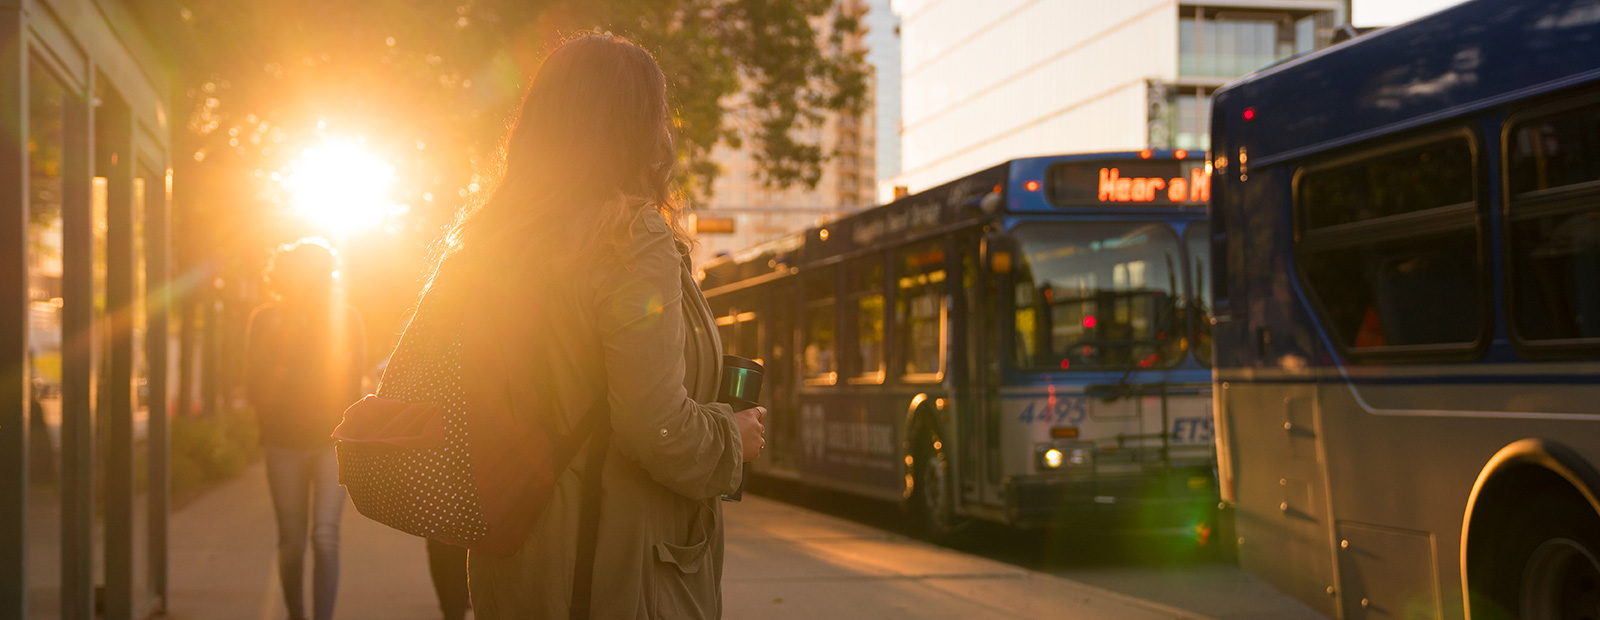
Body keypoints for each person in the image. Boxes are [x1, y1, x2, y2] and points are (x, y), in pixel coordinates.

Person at [419, 32, 766, 619]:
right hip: (614, 568)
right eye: (660, 114)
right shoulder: (629, 239)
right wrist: (733, 436)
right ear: (637, 128)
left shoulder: (498, 244)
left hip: (519, 555)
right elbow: (654, 424)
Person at [245, 239, 366, 620]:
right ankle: (297, 615)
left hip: (332, 443)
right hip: (283, 443)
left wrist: (290, 377)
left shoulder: (346, 318)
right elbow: (255, 381)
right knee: (293, 542)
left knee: (324, 537)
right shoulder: (265, 319)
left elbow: (351, 384)